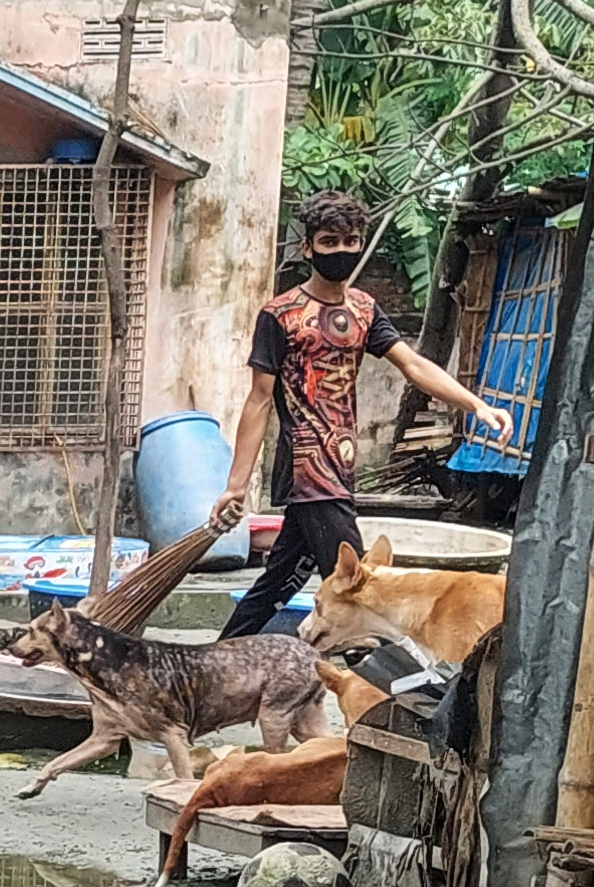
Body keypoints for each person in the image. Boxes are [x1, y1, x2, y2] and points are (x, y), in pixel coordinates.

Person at [210, 192, 511, 638]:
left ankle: (219, 660)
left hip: (341, 468)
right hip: (309, 472)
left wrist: (476, 404)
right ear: (307, 248)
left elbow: (413, 365)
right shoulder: (281, 315)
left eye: (350, 240)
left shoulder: (364, 310)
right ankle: (381, 676)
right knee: (362, 589)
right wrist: (236, 486)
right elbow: (258, 400)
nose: (341, 251)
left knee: (280, 580)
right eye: (329, 241)